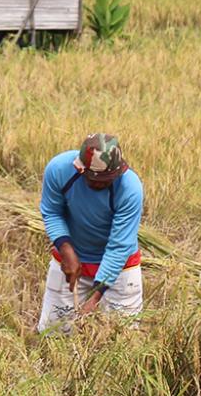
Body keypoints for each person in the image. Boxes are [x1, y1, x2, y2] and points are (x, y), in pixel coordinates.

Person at [36, 134, 146, 333]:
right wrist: (66, 250)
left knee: (122, 341)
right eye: (95, 180)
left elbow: (119, 246)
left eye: (108, 180)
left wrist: (95, 297)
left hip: (121, 268)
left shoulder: (130, 188)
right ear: (80, 169)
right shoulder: (59, 170)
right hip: (70, 263)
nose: (101, 185)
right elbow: (52, 211)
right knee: (54, 335)